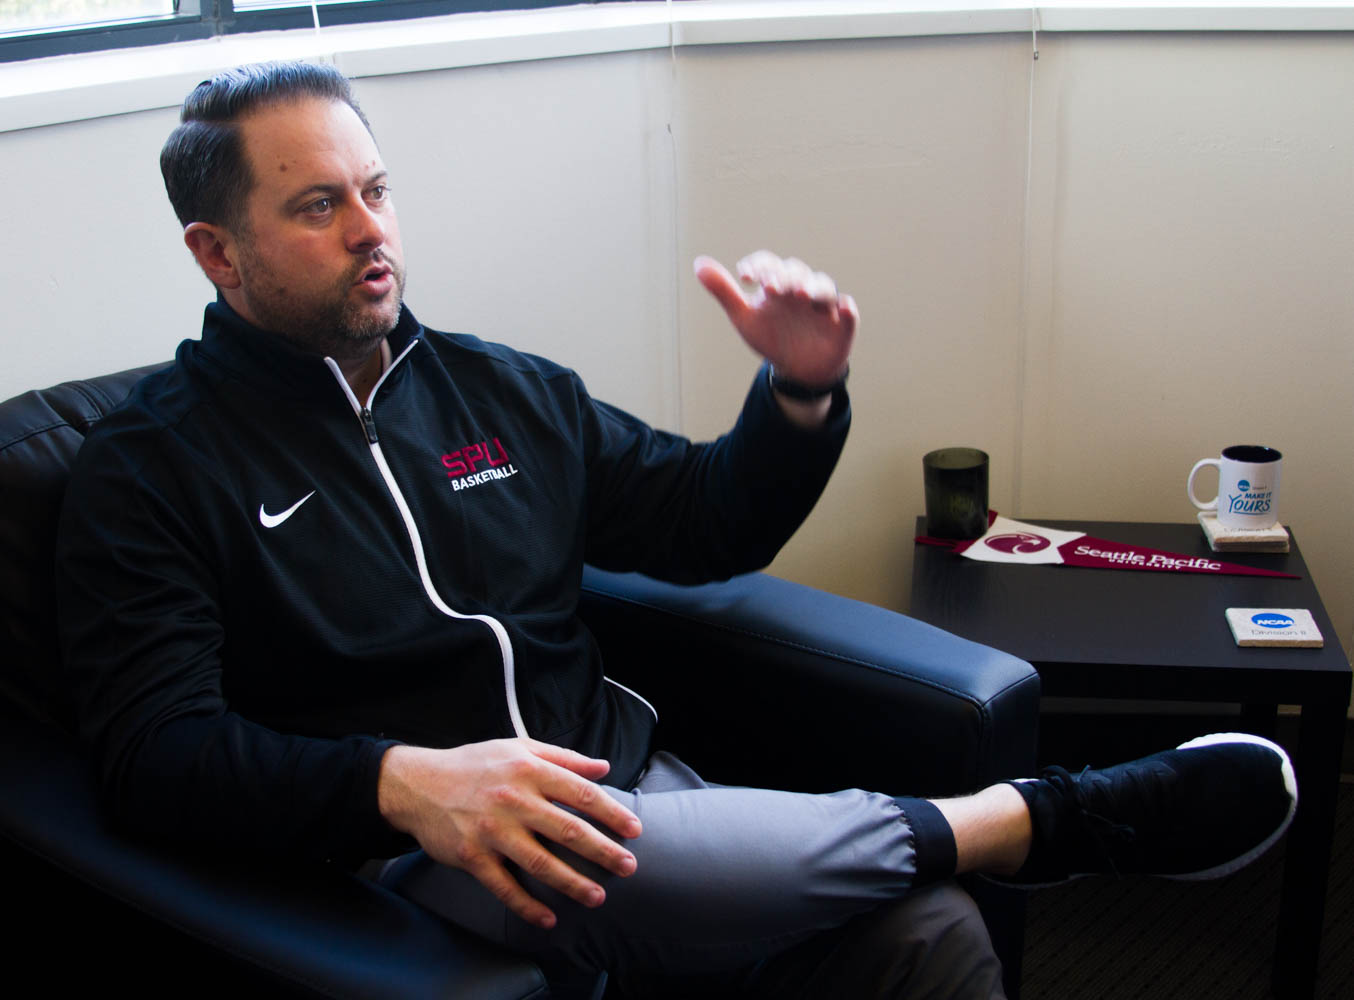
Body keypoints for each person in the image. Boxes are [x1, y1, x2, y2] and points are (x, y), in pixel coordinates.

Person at [55, 61, 1298, 999]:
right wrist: (398, 783)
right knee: (661, 859)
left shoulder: (501, 393)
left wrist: (799, 397)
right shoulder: (152, 466)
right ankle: (1047, 818)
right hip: (407, 850)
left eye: (376, 191)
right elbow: (155, 752)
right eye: (319, 206)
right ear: (217, 253)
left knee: (930, 936)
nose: (373, 231)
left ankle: (1000, 833)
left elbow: (702, 521)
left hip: (632, 787)